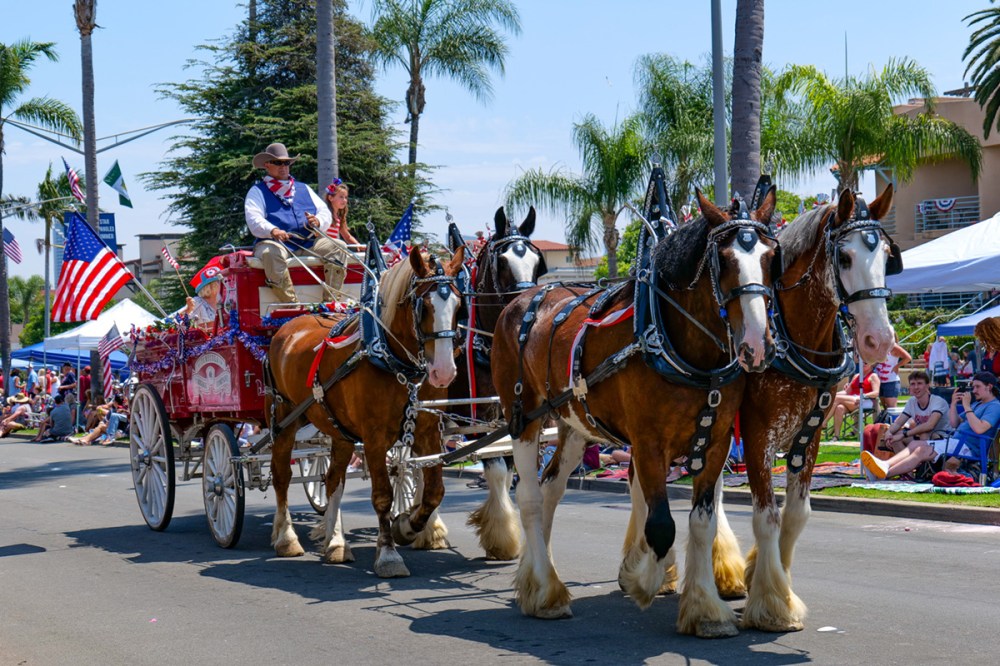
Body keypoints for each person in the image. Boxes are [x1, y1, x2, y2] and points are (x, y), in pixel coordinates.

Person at [244, 142, 349, 304]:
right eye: (278, 163)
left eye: (286, 163)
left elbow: (325, 212)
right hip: (275, 243)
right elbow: (253, 218)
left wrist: (318, 221)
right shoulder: (257, 191)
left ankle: (332, 302)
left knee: (338, 246)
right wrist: (273, 230)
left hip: (309, 243)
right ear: (267, 165)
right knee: (270, 253)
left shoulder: (303, 188)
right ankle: (292, 305)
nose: (283, 166)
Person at [862, 371, 1000, 480]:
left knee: (921, 449)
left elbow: (980, 428)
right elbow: (955, 423)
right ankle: (885, 466)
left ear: (989, 387)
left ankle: (883, 472)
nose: (974, 390)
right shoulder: (978, 404)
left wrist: (966, 406)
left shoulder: (994, 406)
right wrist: (953, 404)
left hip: (967, 448)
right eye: (973, 386)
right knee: (915, 446)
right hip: (956, 442)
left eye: (977, 387)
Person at [880, 371, 951, 455]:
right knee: (894, 438)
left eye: (919, 383)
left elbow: (929, 425)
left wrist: (904, 434)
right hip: (922, 437)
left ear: (927, 386)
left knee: (923, 434)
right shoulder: (912, 402)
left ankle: (921, 466)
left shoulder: (937, 401)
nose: (916, 387)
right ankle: (906, 465)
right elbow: (898, 423)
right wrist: (889, 433)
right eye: (913, 384)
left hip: (943, 439)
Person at [827, 363, 881, 441]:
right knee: (839, 407)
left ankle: (824, 422)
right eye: (862, 363)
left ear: (871, 365)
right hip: (852, 400)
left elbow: (876, 392)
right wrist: (834, 394)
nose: (863, 364)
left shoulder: (873, 376)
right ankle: (836, 436)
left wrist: (863, 395)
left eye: (866, 363)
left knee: (837, 399)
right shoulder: (856, 376)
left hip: (865, 401)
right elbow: (847, 392)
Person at [874, 332, 912, 410]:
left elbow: (908, 357)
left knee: (891, 408)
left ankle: (895, 422)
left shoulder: (893, 346)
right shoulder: (879, 347)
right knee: (884, 406)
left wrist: (897, 366)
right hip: (879, 380)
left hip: (891, 381)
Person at [323, 178, 359, 246]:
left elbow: (347, 237)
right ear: (330, 198)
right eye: (341, 197)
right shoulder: (325, 214)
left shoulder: (339, 217)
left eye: (346, 197)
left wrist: (361, 246)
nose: (344, 200)